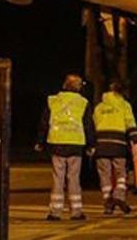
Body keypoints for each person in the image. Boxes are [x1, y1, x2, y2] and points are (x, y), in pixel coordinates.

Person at [35, 73, 95, 221]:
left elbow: (44, 122)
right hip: (75, 144)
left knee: (58, 178)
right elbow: (88, 125)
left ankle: (55, 212)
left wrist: (40, 142)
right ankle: (76, 211)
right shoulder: (83, 103)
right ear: (79, 87)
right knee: (73, 178)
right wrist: (91, 144)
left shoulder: (53, 101)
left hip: (57, 143)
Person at [93, 80, 137, 215]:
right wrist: (135, 141)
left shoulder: (99, 107)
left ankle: (108, 204)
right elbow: (130, 124)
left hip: (101, 145)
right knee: (121, 174)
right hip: (118, 144)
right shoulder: (124, 105)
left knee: (105, 176)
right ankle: (118, 196)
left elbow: (94, 125)